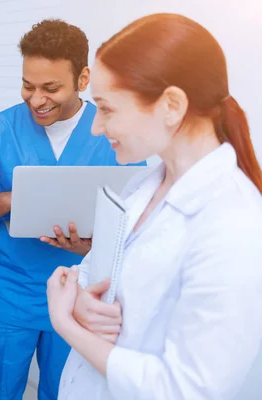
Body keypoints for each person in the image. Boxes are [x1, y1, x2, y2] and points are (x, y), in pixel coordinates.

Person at [46, 13, 262, 400]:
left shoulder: (236, 224)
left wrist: (67, 324)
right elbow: (94, 273)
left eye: (107, 109)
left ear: (172, 105)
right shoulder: (141, 186)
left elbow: (187, 390)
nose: (96, 127)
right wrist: (76, 296)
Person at [0, 19, 145, 400]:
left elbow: (135, 225)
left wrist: (91, 246)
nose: (37, 99)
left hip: (81, 296)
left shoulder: (112, 135)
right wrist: (13, 197)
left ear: (83, 78)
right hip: (12, 292)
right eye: (28, 86)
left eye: (51, 88)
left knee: (63, 391)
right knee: (1, 389)